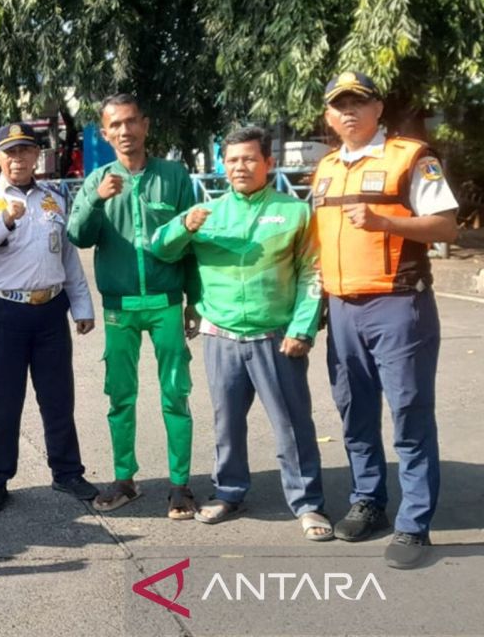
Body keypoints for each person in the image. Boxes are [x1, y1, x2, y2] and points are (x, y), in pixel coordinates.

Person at [150, 126, 331, 541]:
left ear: (268, 162)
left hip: (276, 338)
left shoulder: (295, 212)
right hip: (221, 337)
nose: (240, 167)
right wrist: (184, 227)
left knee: (291, 424)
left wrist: (303, 328)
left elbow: (312, 274)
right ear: (222, 165)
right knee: (226, 423)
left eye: (249, 158)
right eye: (231, 160)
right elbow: (160, 246)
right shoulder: (206, 212)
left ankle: (308, 504)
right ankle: (229, 492)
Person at [312, 72, 458, 570]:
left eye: (358, 102)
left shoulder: (410, 157)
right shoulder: (327, 167)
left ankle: (414, 525)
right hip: (342, 307)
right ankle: (368, 500)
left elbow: (446, 225)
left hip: (399, 305)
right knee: (354, 412)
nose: (348, 111)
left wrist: (385, 222)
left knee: (410, 414)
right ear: (329, 116)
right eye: (339, 105)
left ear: (378, 108)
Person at [66, 94, 200, 520]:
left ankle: (180, 485)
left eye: (130, 122)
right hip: (120, 307)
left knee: (175, 394)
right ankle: (125, 479)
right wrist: (97, 199)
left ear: (145, 124)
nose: (124, 132)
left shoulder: (174, 175)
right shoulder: (98, 179)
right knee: (120, 396)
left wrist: (194, 300)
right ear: (105, 134)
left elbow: (192, 243)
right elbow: (78, 236)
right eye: (115, 126)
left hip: (165, 303)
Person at [0, 123, 98, 512]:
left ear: (37, 155)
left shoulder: (54, 197)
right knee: (3, 399)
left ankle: (67, 472)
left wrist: (82, 306)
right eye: (11, 152)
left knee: (58, 397)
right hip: (6, 310)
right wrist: (3, 222)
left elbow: (68, 257)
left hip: (52, 309)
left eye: (26, 151)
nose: (18, 159)